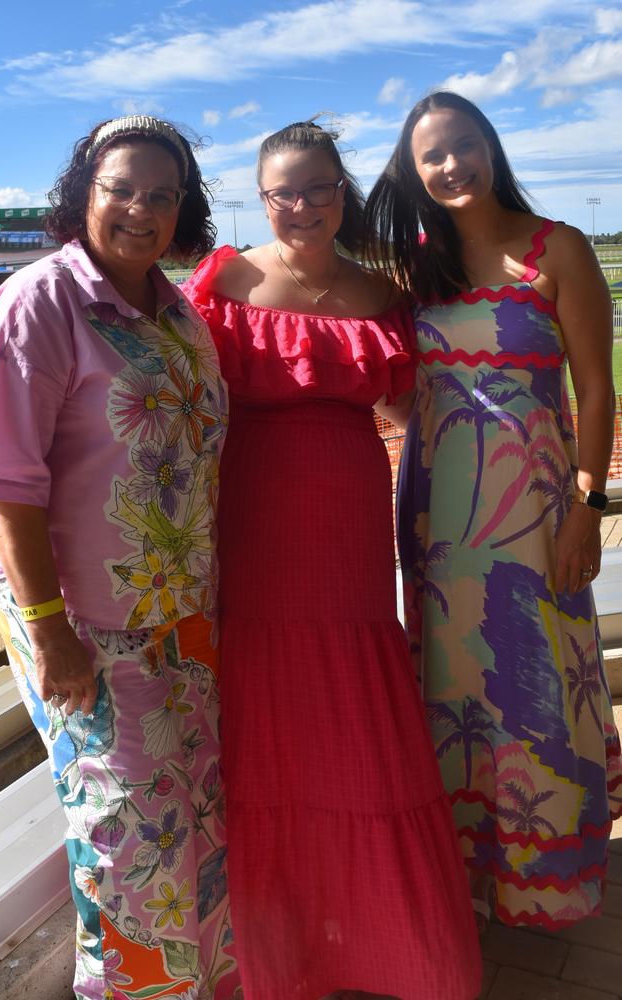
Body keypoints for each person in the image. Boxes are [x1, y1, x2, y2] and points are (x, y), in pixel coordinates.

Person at [184, 120, 481, 1000]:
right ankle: (286, 950)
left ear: (341, 191)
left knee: (353, 695)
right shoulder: (225, 277)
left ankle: (388, 945)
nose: (302, 206)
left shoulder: (380, 291)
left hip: (348, 515)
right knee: (263, 697)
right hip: (250, 511)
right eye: (284, 191)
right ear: (262, 195)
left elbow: (409, 408)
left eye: (318, 188)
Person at [0, 116, 241, 999]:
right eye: (120, 187)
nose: (140, 208)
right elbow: (6, 485)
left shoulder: (176, 311)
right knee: (126, 832)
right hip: (85, 625)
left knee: (194, 820)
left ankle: (195, 984)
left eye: (162, 195)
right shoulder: (41, 303)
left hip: (180, 619)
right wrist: (50, 635)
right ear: (83, 191)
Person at [364, 90, 622, 931]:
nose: (449, 166)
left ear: (491, 146)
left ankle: (544, 876)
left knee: (536, 676)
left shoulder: (562, 249)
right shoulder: (414, 268)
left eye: (462, 145)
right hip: (437, 514)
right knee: (451, 678)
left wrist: (589, 506)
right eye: (430, 156)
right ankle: (468, 875)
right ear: (413, 172)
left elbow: (596, 387)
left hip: (536, 511)